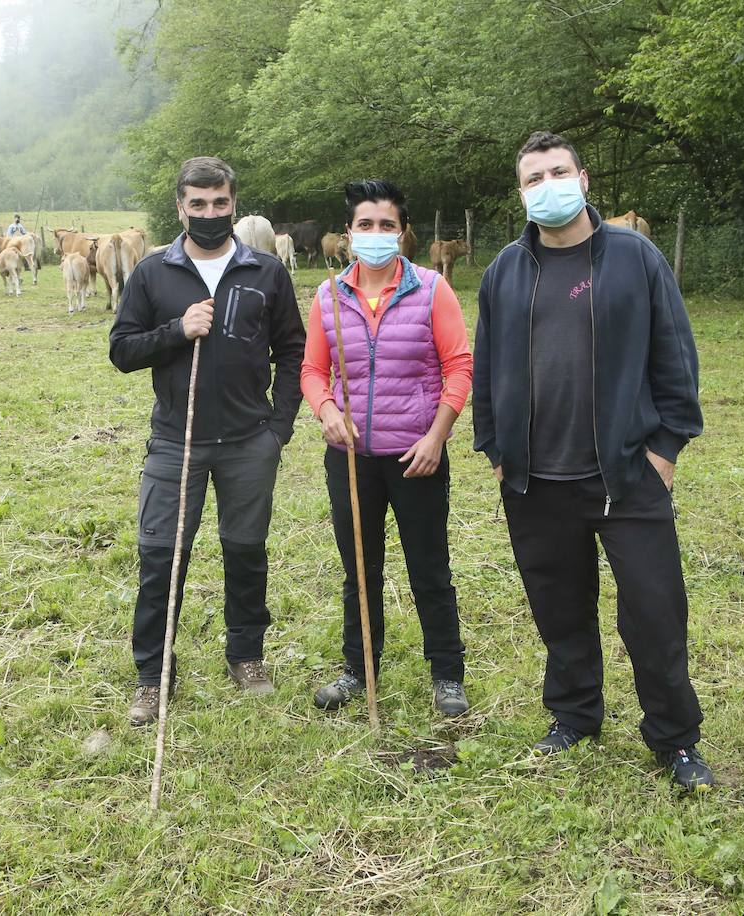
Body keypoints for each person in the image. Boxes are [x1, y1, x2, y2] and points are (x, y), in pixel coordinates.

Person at [473, 131, 712, 790]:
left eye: (557, 172)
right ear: (521, 194)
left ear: (582, 180)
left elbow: (674, 356)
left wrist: (665, 451)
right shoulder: (504, 272)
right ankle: (575, 715)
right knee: (559, 608)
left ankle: (675, 739)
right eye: (532, 179)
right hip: (534, 481)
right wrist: (496, 453)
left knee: (655, 611)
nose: (546, 185)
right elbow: (488, 367)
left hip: (626, 475)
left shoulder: (635, 258)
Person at [109, 156, 306, 726]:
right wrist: (177, 330)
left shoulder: (266, 272)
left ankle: (246, 655)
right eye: (198, 205)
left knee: (245, 553)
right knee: (161, 558)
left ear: (233, 205)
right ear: (180, 208)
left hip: (250, 441)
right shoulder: (153, 273)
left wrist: (280, 426)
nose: (210, 213)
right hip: (177, 442)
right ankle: (153, 675)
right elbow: (122, 350)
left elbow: (293, 349)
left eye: (220, 203)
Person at [302, 180, 473, 718]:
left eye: (387, 226)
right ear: (349, 232)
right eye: (365, 225)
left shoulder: (430, 289)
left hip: (415, 456)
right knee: (359, 568)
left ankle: (447, 673)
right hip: (351, 458)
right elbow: (312, 370)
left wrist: (436, 437)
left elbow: (459, 367)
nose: (376, 235)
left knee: (429, 568)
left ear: (403, 232)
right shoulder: (329, 294)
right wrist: (327, 411)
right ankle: (359, 667)